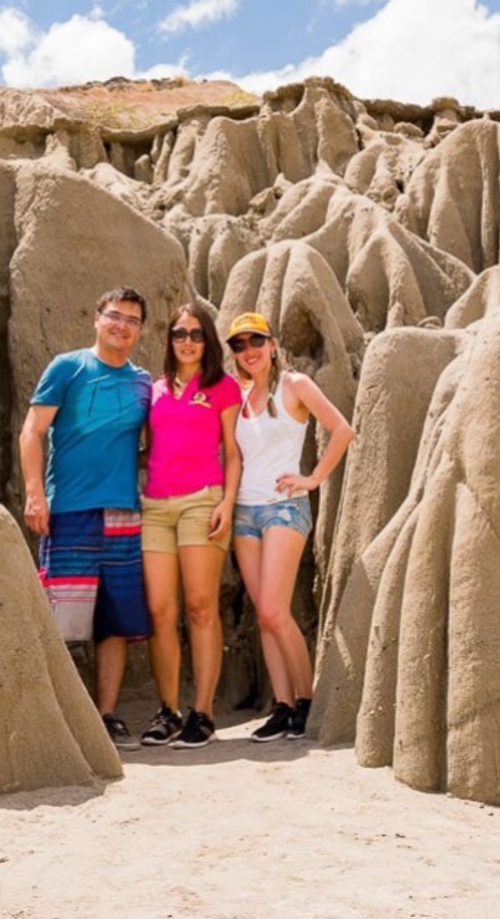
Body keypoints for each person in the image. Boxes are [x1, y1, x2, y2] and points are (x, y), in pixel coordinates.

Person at [20, 287, 154, 750]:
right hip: (70, 508)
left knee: (114, 620)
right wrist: (35, 493)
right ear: (97, 319)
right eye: (115, 316)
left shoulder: (143, 382)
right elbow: (33, 431)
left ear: (140, 330)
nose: (122, 325)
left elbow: (152, 446)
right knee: (61, 617)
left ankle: (106, 716)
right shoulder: (68, 367)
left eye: (132, 320)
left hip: (123, 511)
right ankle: (57, 717)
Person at [224, 311, 354, 743]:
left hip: (284, 509)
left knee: (273, 611)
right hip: (246, 513)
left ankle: (306, 701)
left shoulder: (295, 385)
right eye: (239, 345)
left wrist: (313, 478)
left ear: (273, 344)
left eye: (256, 341)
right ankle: (282, 708)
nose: (249, 352)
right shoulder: (238, 396)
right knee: (265, 618)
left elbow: (342, 429)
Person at [136, 300, 241, 749]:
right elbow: (148, 447)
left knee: (200, 607)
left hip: (203, 502)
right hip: (155, 506)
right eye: (179, 333)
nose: (187, 341)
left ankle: (203, 712)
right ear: (169, 339)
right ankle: (168, 710)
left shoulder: (222, 388)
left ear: (209, 341)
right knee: (160, 612)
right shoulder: (154, 389)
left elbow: (233, 453)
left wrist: (227, 505)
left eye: (196, 334)